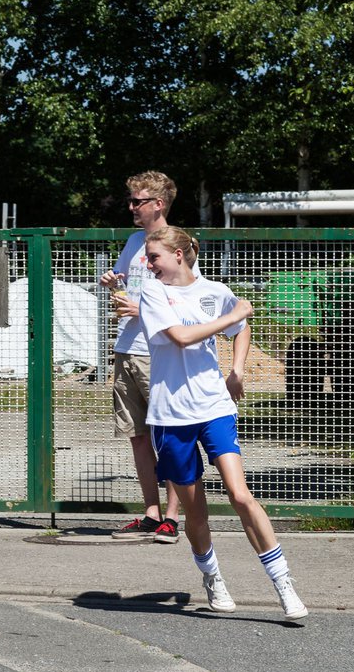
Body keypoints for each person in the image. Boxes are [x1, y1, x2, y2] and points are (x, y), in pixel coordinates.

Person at [136, 226, 307, 620]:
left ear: (178, 254)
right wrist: (234, 315)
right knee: (196, 512)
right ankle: (211, 575)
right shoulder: (153, 291)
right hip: (171, 415)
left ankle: (284, 584)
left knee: (240, 494)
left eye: (155, 256)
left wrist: (237, 369)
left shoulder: (214, 291)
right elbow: (181, 336)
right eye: (148, 256)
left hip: (214, 406)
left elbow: (241, 328)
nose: (149, 263)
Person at [98, 171, 205, 544]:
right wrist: (116, 285)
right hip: (127, 348)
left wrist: (142, 310)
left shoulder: (179, 243)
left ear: (158, 204)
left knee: (171, 435)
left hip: (157, 351)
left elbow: (187, 301)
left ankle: (173, 519)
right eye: (130, 200)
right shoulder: (132, 241)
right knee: (137, 436)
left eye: (137, 201)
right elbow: (134, 287)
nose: (131, 207)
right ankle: (150, 513)